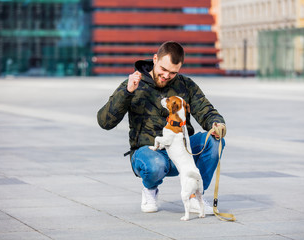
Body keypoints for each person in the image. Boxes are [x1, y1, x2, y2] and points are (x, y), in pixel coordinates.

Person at [97, 41, 226, 214]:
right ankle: (150, 191)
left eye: (173, 72)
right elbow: (105, 122)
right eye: (163, 69)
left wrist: (217, 124)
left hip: (182, 150)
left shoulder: (186, 85)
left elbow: (206, 111)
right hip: (149, 153)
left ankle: (195, 197)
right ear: (155, 59)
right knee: (155, 164)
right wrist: (127, 92)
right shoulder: (135, 84)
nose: (166, 75)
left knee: (214, 141)